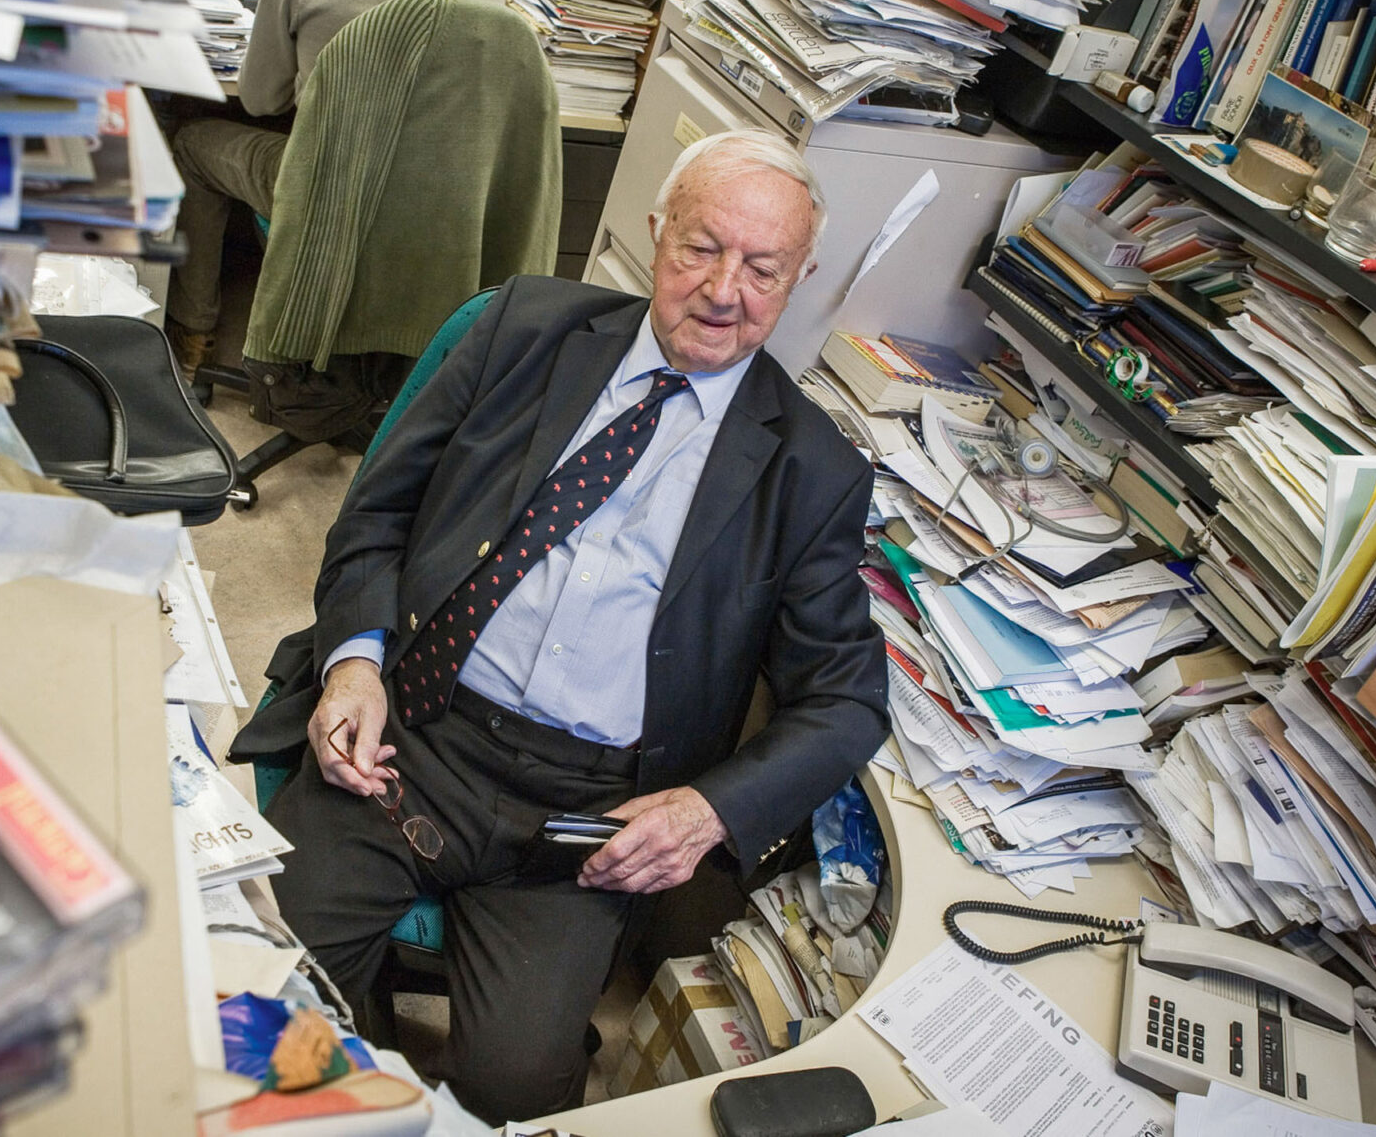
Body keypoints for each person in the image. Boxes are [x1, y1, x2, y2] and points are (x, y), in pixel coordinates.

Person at [229, 131, 890, 1124]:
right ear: (656, 233)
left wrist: (704, 811)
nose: (723, 290)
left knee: (517, 1087)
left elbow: (844, 700)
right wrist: (354, 668)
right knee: (257, 994)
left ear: (796, 280)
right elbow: (376, 516)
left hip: (583, 816)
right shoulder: (519, 329)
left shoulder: (810, 471)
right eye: (700, 247)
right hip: (411, 731)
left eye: (763, 268)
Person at [165, 0, 503, 373]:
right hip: (427, 214)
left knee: (194, 143)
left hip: (318, 192)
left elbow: (260, 101)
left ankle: (192, 334)